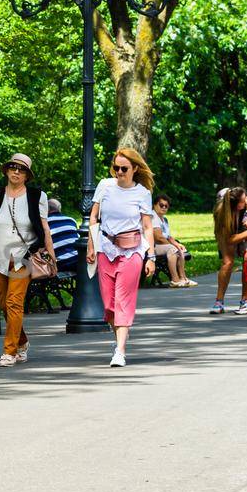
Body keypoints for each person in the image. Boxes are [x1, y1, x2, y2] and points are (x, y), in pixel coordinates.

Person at [0, 152, 55, 367]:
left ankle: (9, 351)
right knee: (4, 304)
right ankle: (22, 341)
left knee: (14, 302)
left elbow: (44, 228)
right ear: (6, 170)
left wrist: (52, 256)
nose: (16, 171)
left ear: (27, 175)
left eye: (21, 169)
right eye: (13, 167)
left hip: (23, 257)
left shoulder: (37, 196)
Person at [88, 148, 156, 367]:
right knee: (109, 305)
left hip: (132, 251)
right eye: (116, 167)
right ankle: (121, 331)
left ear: (134, 169)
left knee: (123, 301)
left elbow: (147, 227)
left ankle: (120, 350)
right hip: (106, 249)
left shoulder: (142, 193)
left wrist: (151, 256)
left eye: (124, 168)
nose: (119, 172)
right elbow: (93, 218)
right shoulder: (104, 186)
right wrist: (91, 245)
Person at [209, 187, 247, 314]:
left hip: (241, 227)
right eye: (244, 200)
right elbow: (228, 240)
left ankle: (244, 301)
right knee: (228, 262)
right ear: (238, 205)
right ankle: (219, 302)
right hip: (225, 232)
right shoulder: (221, 213)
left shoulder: (244, 206)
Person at [150, 193, 195, 286]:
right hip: (152, 246)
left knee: (179, 249)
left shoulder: (164, 219)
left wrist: (178, 244)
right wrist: (174, 246)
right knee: (173, 249)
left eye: (166, 206)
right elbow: (158, 238)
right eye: (161, 205)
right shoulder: (153, 217)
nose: (164, 208)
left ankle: (183, 278)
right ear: (154, 205)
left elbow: (168, 237)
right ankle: (175, 279)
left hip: (161, 246)